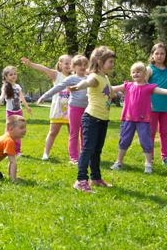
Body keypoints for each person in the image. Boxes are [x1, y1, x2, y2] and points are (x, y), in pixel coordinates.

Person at [110, 62, 167, 173]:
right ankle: (118, 162)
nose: (136, 74)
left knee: (146, 141)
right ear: (130, 74)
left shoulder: (149, 87)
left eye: (138, 72)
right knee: (124, 141)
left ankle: (148, 164)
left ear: (145, 74)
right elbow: (111, 88)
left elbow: (166, 91)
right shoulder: (127, 86)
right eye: (133, 72)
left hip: (143, 120)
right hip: (128, 119)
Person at [68, 46, 116, 193]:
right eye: (110, 61)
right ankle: (81, 180)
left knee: (97, 150)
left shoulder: (105, 77)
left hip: (103, 119)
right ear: (99, 62)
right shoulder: (94, 77)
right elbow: (86, 83)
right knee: (88, 149)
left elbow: (111, 92)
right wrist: (77, 86)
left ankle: (95, 178)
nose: (112, 64)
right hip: (92, 118)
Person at [36, 55, 89, 164]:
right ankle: (73, 157)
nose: (82, 67)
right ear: (74, 67)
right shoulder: (69, 78)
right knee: (63, 132)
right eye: (79, 65)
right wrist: (44, 96)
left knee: (83, 134)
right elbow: (57, 87)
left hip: (85, 109)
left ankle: (83, 156)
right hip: (69, 109)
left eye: (84, 65)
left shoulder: (89, 78)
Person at [21, 54, 72, 160]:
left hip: (71, 110)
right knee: (53, 132)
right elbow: (44, 69)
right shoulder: (56, 75)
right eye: (66, 63)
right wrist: (30, 64)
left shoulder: (75, 76)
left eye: (71, 63)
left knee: (73, 134)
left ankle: (74, 155)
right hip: (58, 110)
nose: (69, 65)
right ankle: (46, 153)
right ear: (60, 64)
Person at [146, 43, 167, 166]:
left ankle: (166, 158)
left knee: (164, 132)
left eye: (162, 53)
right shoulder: (149, 69)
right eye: (157, 53)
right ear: (153, 55)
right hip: (152, 106)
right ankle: (150, 158)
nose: (159, 56)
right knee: (151, 132)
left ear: (166, 55)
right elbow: (143, 87)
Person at [0, 65, 32, 155]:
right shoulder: (5, 87)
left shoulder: (18, 86)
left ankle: (17, 150)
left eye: (15, 74)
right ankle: (6, 149)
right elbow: (1, 97)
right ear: (6, 77)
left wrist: (27, 107)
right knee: (8, 131)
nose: (13, 76)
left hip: (19, 112)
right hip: (10, 113)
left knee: (19, 131)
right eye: (11, 74)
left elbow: (22, 98)